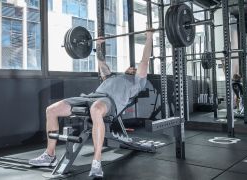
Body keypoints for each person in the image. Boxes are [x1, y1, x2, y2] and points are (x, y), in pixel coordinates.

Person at [29, 31, 154, 178]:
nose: (133, 68)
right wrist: (98, 45)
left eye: (135, 69)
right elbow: (101, 62)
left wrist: (149, 38)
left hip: (109, 102)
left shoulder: (137, 82)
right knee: (51, 110)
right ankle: (50, 155)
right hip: (90, 97)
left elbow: (144, 60)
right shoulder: (112, 77)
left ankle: (96, 162)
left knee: (95, 109)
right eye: (131, 68)